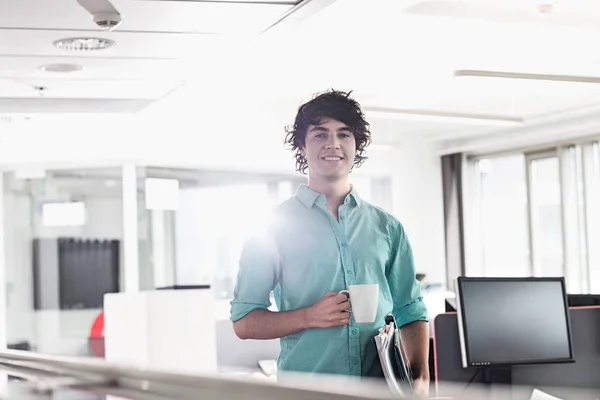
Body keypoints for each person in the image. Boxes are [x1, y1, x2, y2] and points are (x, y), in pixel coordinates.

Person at [230, 89, 429, 396]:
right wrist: (308, 316)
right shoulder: (270, 229)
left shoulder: (387, 227)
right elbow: (244, 322)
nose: (333, 144)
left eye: (344, 134)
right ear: (302, 145)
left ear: (355, 144)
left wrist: (420, 377)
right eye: (320, 134)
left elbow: (411, 310)